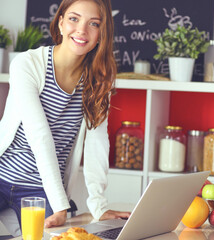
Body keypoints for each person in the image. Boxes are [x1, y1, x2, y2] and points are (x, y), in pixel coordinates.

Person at [0, 0, 130, 233]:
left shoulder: (99, 80)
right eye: (74, 19)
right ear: (60, 22)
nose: (81, 30)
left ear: (102, 33)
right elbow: (39, 136)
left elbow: (97, 144)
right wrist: (60, 205)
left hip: (41, 190)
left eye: (94, 23)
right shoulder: (27, 64)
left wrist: (99, 205)